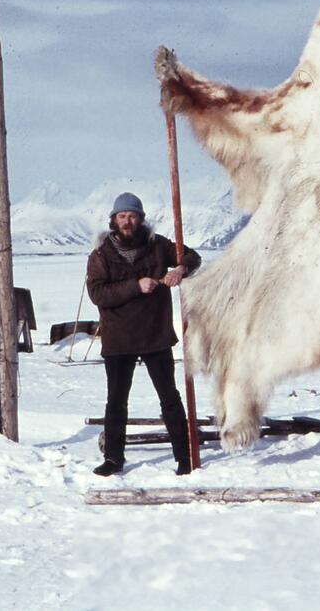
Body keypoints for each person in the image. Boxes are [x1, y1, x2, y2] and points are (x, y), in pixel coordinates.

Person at [86, 192, 202, 477]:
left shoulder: (158, 245)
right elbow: (98, 294)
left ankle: (184, 457)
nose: (128, 221)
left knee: (169, 398)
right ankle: (114, 459)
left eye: (133, 216)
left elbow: (193, 257)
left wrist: (180, 269)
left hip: (154, 334)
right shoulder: (101, 254)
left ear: (141, 219)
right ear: (113, 220)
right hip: (118, 337)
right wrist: (136, 286)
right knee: (116, 401)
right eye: (122, 216)